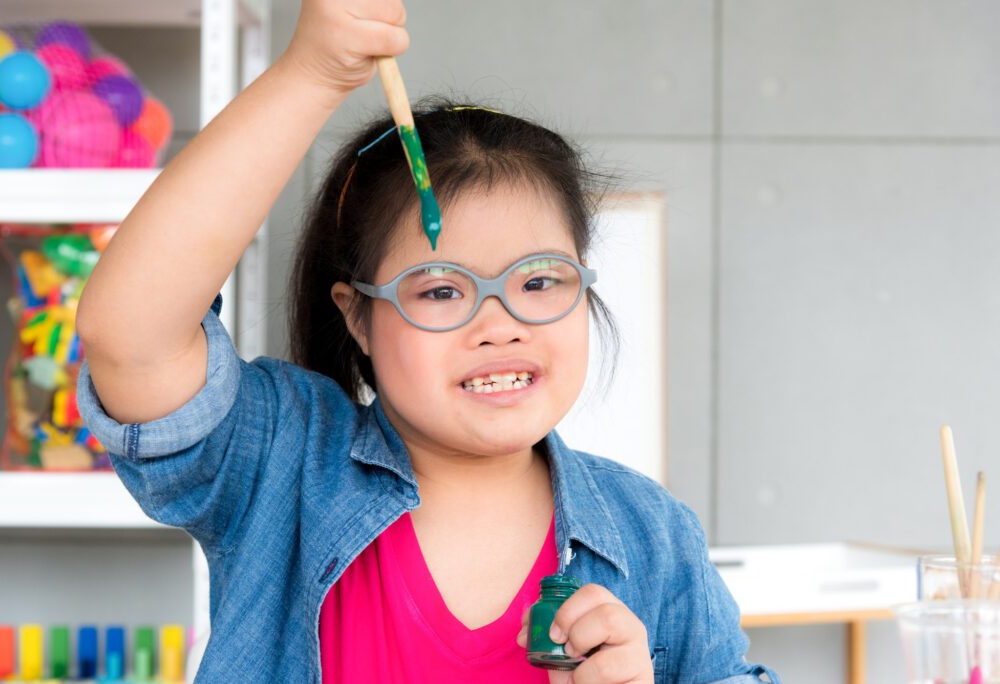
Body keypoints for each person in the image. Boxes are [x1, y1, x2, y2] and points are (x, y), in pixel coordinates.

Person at [75, 0, 779, 682]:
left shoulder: (654, 536)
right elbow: (129, 337)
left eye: (540, 282)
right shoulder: (283, 466)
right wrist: (311, 73)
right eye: (441, 289)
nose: (502, 325)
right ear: (358, 318)